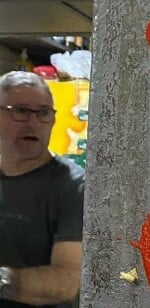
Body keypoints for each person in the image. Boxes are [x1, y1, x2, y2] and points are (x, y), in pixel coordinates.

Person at [0, 71, 85, 307]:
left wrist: (3, 279)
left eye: (44, 113)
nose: (34, 122)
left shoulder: (72, 186)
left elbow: (67, 281)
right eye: (21, 110)